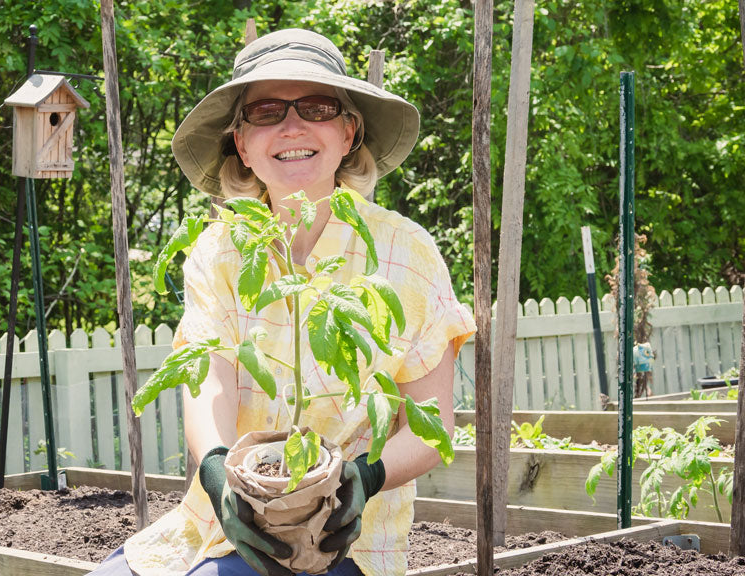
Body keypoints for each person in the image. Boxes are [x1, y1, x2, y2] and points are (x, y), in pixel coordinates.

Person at [90, 28, 475, 576]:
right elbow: (211, 381)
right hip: (217, 521)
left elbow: (431, 425)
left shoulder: (404, 253)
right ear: (242, 146)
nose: (292, 126)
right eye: (267, 111)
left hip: (343, 538)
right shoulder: (220, 248)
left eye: (316, 107)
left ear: (349, 132)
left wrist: (363, 480)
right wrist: (220, 472)